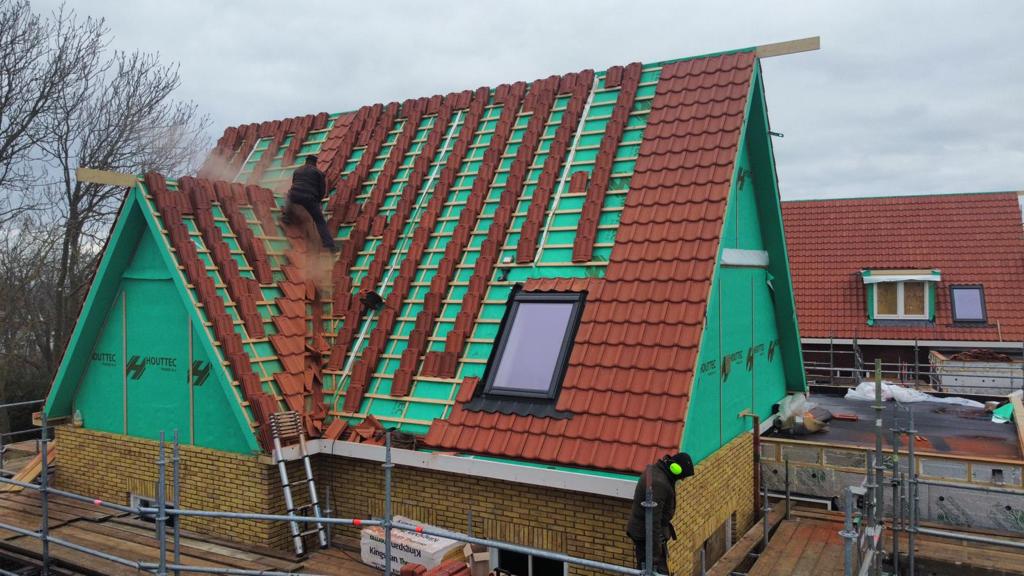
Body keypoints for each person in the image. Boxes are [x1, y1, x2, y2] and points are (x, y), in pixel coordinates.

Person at [626, 452, 694, 574]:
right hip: (647, 537)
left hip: (650, 535)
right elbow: (652, 522)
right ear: (676, 469)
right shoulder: (659, 483)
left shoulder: (659, 472)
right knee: (654, 571)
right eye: (683, 476)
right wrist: (655, 556)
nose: (682, 479)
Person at [281, 154, 338, 251]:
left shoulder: (298, 170)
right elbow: (322, 191)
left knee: (290, 197)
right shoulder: (319, 173)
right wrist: (318, 201)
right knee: (319, 221)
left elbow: (294, 184)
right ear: (315, 163)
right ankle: (329, 245)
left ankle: (286, 217)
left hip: (295, 196)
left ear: (306, 161)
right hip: (309, 199)